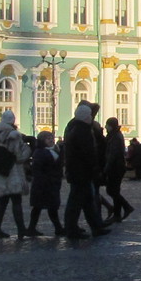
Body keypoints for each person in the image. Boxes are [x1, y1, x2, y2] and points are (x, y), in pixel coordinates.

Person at [60, 102, 108, 238]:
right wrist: (95, 169)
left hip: (78, 172)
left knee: (87, 202)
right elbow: (88, 153)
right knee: (76, 203)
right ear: (87, 117)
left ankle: (96, 227)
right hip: (81, 172)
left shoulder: (75, 129)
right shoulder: (83, 132)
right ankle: (72, 230)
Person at [0, 110, 29, 239]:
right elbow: (18, 155)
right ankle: (21, 229)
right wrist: (27, 151)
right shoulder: (13, 135)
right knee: (16, 201)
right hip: (11, 171)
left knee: (2, 202)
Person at [27, 129, 65, 236]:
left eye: (52, 138)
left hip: (51, 183)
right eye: (48, 139)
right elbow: (38, 169)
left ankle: (33, 228)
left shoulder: (54, 150)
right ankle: (57, 228)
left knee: (48, 206)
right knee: (41, 207)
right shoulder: (40, 152)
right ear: (42, 140)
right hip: (43, 184)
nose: (51, 140)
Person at [102, 115, 133, 223]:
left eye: (107, 125)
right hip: (117, 167)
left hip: (116, 167)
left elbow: (113, 154)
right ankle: (118, 214)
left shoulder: (115, 137)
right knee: (114, 191)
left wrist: (106, 168)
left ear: (111, 126)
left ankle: (126, 207)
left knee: (112, 190)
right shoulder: (114, 135)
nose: (106, 127)